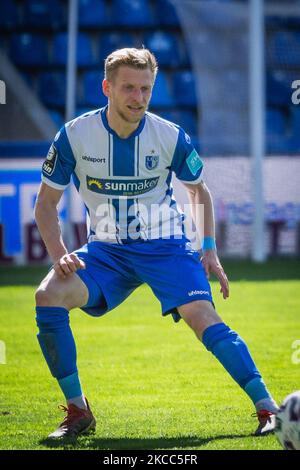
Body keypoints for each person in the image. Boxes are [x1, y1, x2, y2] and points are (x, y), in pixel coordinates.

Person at [34, 48, 278, 439]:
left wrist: (210, 249)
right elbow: (46, 204)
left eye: (146, 89)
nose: (139, 98)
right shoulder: (75, 136)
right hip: (107, 250)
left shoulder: (169, 136)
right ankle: (79, 412)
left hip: (166, 244)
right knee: (47, 296)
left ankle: (269, 409)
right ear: (107, 88)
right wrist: (60, 255)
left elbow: (200, 193)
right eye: (129, 88)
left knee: (203, 318)